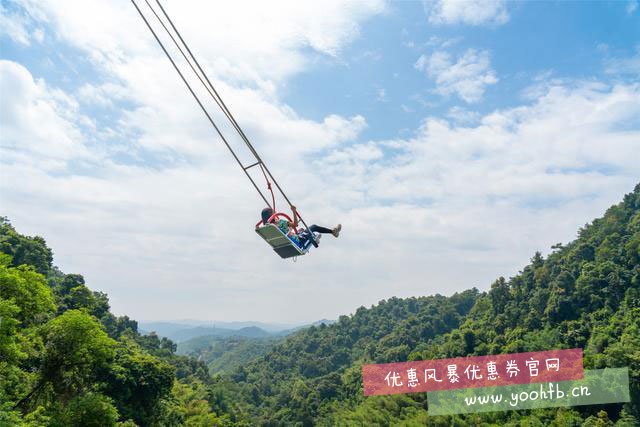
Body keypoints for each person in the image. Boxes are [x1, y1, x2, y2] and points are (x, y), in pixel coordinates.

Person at [259, 206, 341, 247]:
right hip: (298, 241)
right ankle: (333, 232)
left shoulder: (269, 228)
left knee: (301, 230)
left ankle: (315, 238)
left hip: (288, 243)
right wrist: (294, 211)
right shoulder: (280, 223)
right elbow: (295, 224)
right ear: (272, 215)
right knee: (313, 227)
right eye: (274, 212)